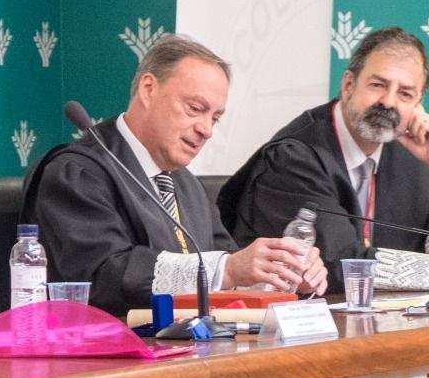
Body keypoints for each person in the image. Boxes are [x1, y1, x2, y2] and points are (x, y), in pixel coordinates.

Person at [24, 35, 326, 317]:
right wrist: (231, 268)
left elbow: (230, 268)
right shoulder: (78, 172)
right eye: (195, 109)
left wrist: (279, 274)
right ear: (148, 89)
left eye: (215, 118)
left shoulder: (185, 184)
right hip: (104, 360)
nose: (206, 129)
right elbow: (105, 275)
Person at [217, 26, 429, 293]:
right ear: (349, 84)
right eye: (378, 85)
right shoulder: (293, 157)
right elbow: (343, 264)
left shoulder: (408, 154)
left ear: (417, 105)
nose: (388, 102)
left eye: (405, 94)